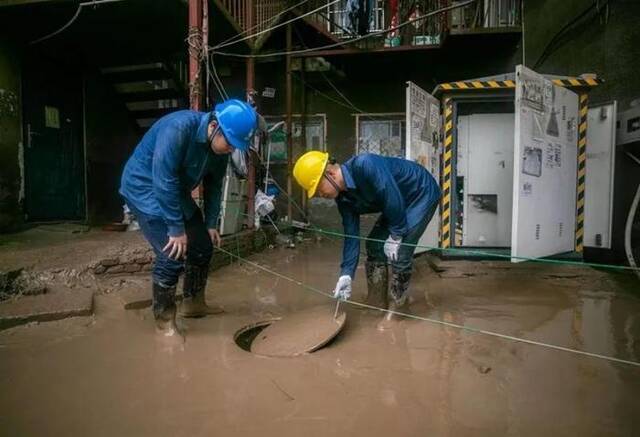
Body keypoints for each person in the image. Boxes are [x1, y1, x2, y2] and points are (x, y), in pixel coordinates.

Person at [120, 99, 258, 341]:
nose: (231, 149)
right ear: (214, 125)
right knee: (172, 253)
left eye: (236, 146)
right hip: (145, 187)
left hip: (176, 190)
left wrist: (211, 223)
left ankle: (193, 304)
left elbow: (214, 185)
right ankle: (164, 322)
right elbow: (163, 180)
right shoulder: (178, 129)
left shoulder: (221, 149)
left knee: (203, 245)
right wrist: (175, 228)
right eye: (230, 143)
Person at [293, 151, 441, 330]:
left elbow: (389, 193)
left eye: (318, 189)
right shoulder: (344, 199)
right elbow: (351, 235)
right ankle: (376, 301)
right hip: (395, 203)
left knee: (400, 251)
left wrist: (397, 234)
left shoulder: (365, 165)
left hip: (419, 193)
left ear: (330, 174)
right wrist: (346, 273)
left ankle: (399, 309)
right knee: (374, 244)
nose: (318, 195)